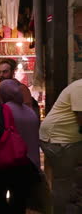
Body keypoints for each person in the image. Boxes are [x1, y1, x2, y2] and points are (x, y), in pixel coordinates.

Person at [0, 79, 41, 214]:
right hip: (27, 163)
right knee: (19, 200)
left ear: (2, 94)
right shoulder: (30, 112)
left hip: (8, 161)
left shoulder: (3, 110)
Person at [39, 78, 82, 213]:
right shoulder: (80, 87)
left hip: (67, 138)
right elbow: (81, 117)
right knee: (64, 181)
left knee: (68, 179)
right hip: (59, 139)